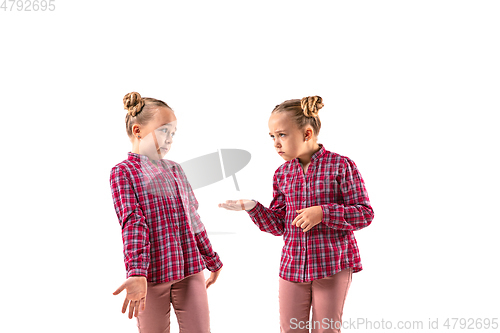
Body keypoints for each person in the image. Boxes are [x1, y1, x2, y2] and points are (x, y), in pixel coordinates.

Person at [219, 96, 374, 333]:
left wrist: (323, 213)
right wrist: (252, 207)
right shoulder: (282, 174)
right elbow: (279, 225)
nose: (275, 143)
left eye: (282, 135)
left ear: (307, 134)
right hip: (292, 268)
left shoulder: (342, 166)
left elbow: (364, 214)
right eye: (272, 136)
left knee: (326, 330)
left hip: (332, 265)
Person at [110, 92, 222, 333]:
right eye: (163, 131)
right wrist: (137, 273)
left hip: (190, 269)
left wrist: (211, 259)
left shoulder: (175, 169)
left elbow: (193, 219)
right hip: (151, 277)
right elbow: (133, 223)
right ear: (138, 131)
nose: (170, 139)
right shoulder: (123, 172)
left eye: (173, 133)